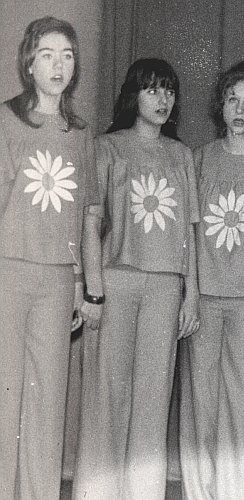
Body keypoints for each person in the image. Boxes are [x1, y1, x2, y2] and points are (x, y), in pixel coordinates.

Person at [72, 58, 200, 499]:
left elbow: (189, 233)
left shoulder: (182, 155)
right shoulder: (106, 147)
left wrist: (191, 294)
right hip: (116, 281)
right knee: (107, 395)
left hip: (165, 287)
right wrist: (93, 290)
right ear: (134, 95)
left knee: (153, 396)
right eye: (153, 90)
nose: (163, 100)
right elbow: (90, 223)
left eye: (169, 91)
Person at [0, 16, 102, 499]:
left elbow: (85, 217)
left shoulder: (80, 132)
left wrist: (82, 283)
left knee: (47, 401)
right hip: (9, 272)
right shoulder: (6, 120)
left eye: (67, 56)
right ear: (29, 63)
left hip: (59, 282)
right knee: (5, 396)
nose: (58, 65)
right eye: (47, 55)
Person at [178, 60, 244, 500]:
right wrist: (188, 292)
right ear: (220, 107)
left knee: (243, 405)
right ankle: (199, 493)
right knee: (200, 402)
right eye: (232, 100)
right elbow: (187, 234)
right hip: (203, 297)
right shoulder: (198, 159)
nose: (240, 110)